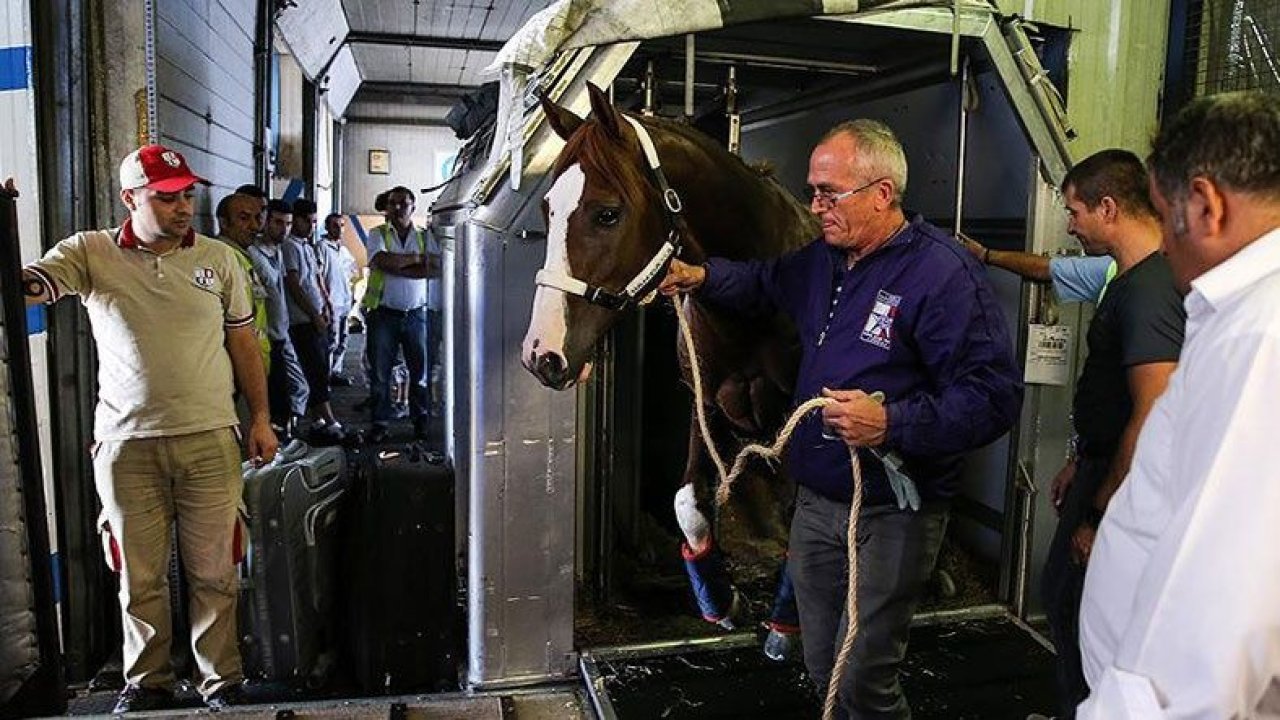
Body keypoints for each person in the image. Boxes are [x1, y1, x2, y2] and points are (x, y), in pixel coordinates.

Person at [659, 119, 1022, 718]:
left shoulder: (943, 276)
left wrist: (893, 423)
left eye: (830, 193)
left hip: (890, 511)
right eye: (813, 191)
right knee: (823, 661)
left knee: (865, 679)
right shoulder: (824, 261)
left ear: (882, 193)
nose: (815, 205)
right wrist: (702, 276)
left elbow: (994, 397)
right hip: (818, 505)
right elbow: (765, 280)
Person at [18, 145, 276, 713]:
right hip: (125, 444)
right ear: (131, 197)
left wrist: (260, 417)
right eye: (167, 197)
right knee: (140, 577)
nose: (184, 206)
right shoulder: (90, 253)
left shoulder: (220, 260)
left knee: (216, 572)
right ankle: (148, 682)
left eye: (188, 194)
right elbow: (33, 287)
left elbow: (243, 343)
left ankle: (222, 681)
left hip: (210, 437)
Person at [1077, 91, 1280, 718]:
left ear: (1206, 203)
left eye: (1166, 218)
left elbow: (1216, 615)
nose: (1164, 244)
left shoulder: (1261, 335)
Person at [1031, 149, 1185, 718]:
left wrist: (1101, 512)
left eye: (1075, 213)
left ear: (1109, 207)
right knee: (1062, 599)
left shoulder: (1150, 291)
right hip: (1100, 467)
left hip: (1121, 487)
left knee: (1078, 612)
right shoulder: (1129, 279)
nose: (1070, 225)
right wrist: (1081, 456)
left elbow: (1151, 412)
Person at [363, 186, 436, 444]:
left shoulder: (425, 236)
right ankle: (380, 424)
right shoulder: (377, 233)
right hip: (383, 315)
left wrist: (401, 265)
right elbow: (380, 261)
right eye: (393, 203)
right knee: (380, 374)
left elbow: (433, 268)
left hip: (416, 315)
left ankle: (421, 421)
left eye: (403, 204)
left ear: (413, 207)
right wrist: (414, 259)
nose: (397, 208)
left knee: (421, 373)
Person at [282, 198, 344, 441]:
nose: (310, 225)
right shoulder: (290, 247)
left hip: (317, 316)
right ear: (295, 220)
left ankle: (319, 421)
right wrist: (314, 315)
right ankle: (329, 420)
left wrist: (326, 304)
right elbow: (295, 286)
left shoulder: (307, 246)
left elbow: (316, 279)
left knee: (320, 369)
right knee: (315, 371)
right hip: (302, 322)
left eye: (313, 221)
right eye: (305, 220)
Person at [250, 199, 309, 435]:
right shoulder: (253, 254)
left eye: (288, 223)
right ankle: (281, 435)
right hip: (266, 338)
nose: (283, 229)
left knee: (298, 387)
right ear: (265, 221)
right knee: (281, 393)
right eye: (277, 222)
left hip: (281, 333)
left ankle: (287, 432)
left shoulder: (278, 252)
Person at [958, 234, 1116, 304]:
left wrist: (985, 254)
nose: (1070, 228)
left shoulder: (1109, 268)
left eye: (1075, 213)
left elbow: (1044, 268)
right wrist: (985, 254)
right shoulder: (1109, 267)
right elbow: (1045, 268)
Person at [319, 212, 357, 384]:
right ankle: (324, 376)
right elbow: (318, 275)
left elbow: (351, 272)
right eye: (335, 225)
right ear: (327, 227)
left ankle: (335, 372)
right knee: (330, 342)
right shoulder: (322, 247)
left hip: (344, 301)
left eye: (342, 225)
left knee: (343, 340)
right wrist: (325, 301)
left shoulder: (343, 250)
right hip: (332, 301)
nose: (339, 229)